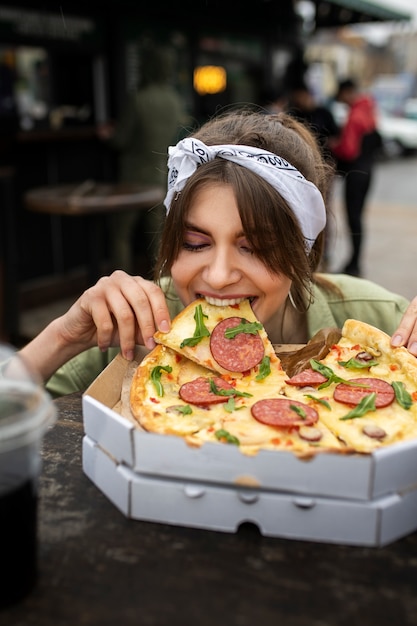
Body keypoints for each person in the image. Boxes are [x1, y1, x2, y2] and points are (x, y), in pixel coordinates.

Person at [18, 109, 417, 397]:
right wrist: (62, 338)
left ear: (303, 252)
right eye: (195, 243)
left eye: (255, 247)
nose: (220, 274)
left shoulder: (373, 319)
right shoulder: (133, 322)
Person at [97, 44, 188, 275]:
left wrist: (108, 135)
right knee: (157, 238)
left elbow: (121, 139)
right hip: (160, 178)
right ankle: (163, 287)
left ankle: (121, 290)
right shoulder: (175, 100)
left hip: (132, 180)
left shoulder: (139, 99)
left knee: (121, 235)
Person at [329, 78, 382, 278]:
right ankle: (355, 261)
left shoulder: (355, 115)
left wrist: (334, 145)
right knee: (358, 217)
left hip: (356, 173)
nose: (342, 101)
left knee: (353, 218)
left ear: (347, 92)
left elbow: (349, 150)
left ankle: (353, 264)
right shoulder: (369, 109)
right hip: (368, 171)